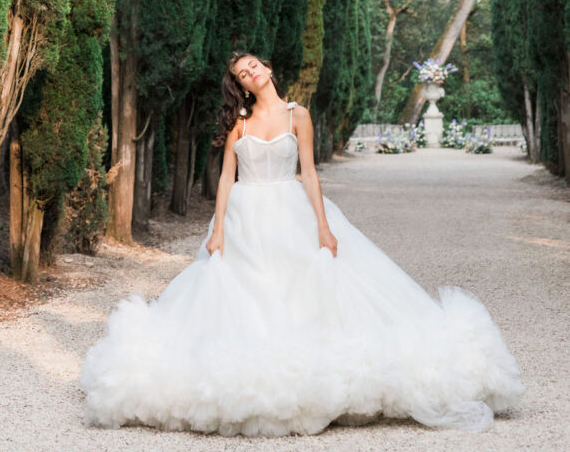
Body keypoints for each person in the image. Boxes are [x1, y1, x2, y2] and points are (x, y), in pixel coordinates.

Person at [80, 50, 525, 436]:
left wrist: (324, 224)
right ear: (241, 86)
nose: (249, 74)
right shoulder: (239, 122)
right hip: (245, 216)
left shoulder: (299, 114)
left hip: (291, 208)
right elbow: (227, 178)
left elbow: (308, 172)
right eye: (240, 75)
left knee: (310, 286)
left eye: (252, 66)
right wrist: (216, 230)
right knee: (242, 290)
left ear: (268, 69)